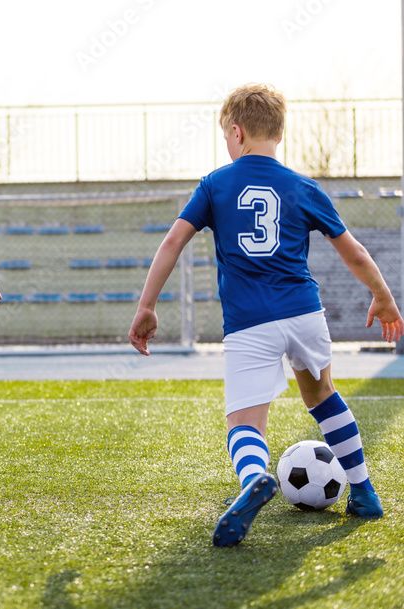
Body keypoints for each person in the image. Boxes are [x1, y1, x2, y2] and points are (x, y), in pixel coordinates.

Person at [128, 83, 403, 547]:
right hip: (304, 313)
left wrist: (147, 306)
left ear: (236, 132)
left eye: (225, 135)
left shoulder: (215, 184)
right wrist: (383, 296)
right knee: (323, 397)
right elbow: (353, 251)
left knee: (244, 422)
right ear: (279, 133)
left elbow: (173, 241)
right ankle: (364, 491)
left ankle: (255, 476)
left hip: (249, 322)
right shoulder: (303, 187)